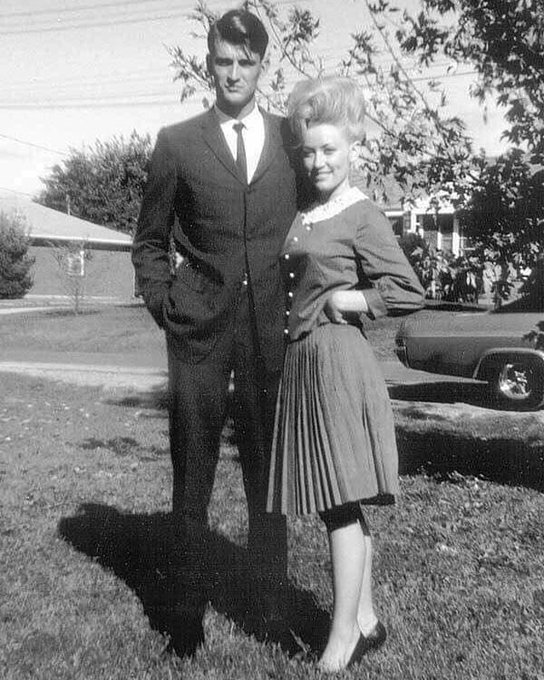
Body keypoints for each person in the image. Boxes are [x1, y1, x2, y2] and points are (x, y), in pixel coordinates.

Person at [132, 9, 299, 638]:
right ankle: (183, 611)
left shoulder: (290, 138)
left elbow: (316, 221)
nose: (234, 73)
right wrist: (163, 303)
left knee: (268, 468)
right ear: (209, 63)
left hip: (270, 329)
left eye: (245, 61)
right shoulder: (178, 141)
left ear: (261, 65)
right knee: (192, 466)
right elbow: (149, 240)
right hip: (198, 327)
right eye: (223, 61)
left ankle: (270, 608)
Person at [267, 76, 425, 672]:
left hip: (338, 360)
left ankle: (341, 641)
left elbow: (407, 289)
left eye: (329, 149)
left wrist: (349, 301)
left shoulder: (361, 213)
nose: (317, 161)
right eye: (308, 151)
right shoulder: (306, 211)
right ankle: (365, 619)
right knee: (341, 500)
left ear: (352, 144)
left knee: (339, 502)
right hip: (305, 362)